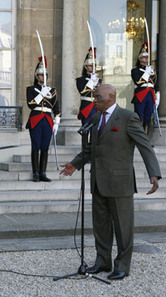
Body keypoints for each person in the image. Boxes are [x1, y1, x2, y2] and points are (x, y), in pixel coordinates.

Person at [60, 84, 161, 280]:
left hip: (120, 182)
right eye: (94, 97)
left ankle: (122, 265)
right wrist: (75, 164)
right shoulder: (96, 118)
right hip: (98, 180)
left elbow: (144, 145)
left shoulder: (127, 117)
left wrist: (154, 173)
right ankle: (102, 261)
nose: (94, 100)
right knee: (101, 226)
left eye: (98, 97)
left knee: (123, 227)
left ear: (111, 97)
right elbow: (90, 149)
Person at [26, 56, 60, 182]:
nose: (43, 77)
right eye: (40, 75)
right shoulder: (31, 89)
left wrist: (57, 122)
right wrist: (41, 94)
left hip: (47, 120)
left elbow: (57, 108)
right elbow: (30, 104)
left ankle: (42, 173)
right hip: (36, 118)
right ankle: (35, 172)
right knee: (36, 146)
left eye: (45, 75)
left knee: (45, 147)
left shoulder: (53, 91)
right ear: (36, 76)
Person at [131, 42, 160, 134]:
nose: (146, 59)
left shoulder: (152, 70)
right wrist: (146, 73)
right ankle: (138, 137)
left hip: (150, 94)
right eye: (144, 57)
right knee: (139, 116)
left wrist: (157, 95)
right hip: (141, 94)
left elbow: (156, 84)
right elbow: (138, 82)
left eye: (147, 57)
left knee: (148, 117)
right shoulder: (135, 70)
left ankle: (146, 139)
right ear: (140, 59)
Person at [76, 47, 101, 125]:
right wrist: (91, 81)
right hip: (86, 107)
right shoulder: (80, 80)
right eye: (90, 65)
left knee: (95, 132)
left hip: (96, 107)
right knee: (85, 131)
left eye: (93, 65)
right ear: (86, 66)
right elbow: (82, 92)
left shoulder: (98, 80)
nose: (92, 67)